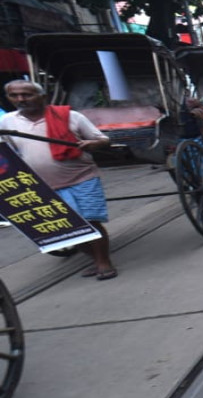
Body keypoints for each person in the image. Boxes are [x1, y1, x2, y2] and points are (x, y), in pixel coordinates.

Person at [1, 80, 117, 279]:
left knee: (90, 222)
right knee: (69, 226)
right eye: (15, 96)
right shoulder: (7, 122)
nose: (21, 99)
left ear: (42, 96)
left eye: (27, 95)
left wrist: (92, 144)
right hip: (42, 184)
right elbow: (8, 154)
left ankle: (104, 262)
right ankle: (94, 259)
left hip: (81, 176)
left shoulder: (71, 116)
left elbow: (103, 140)